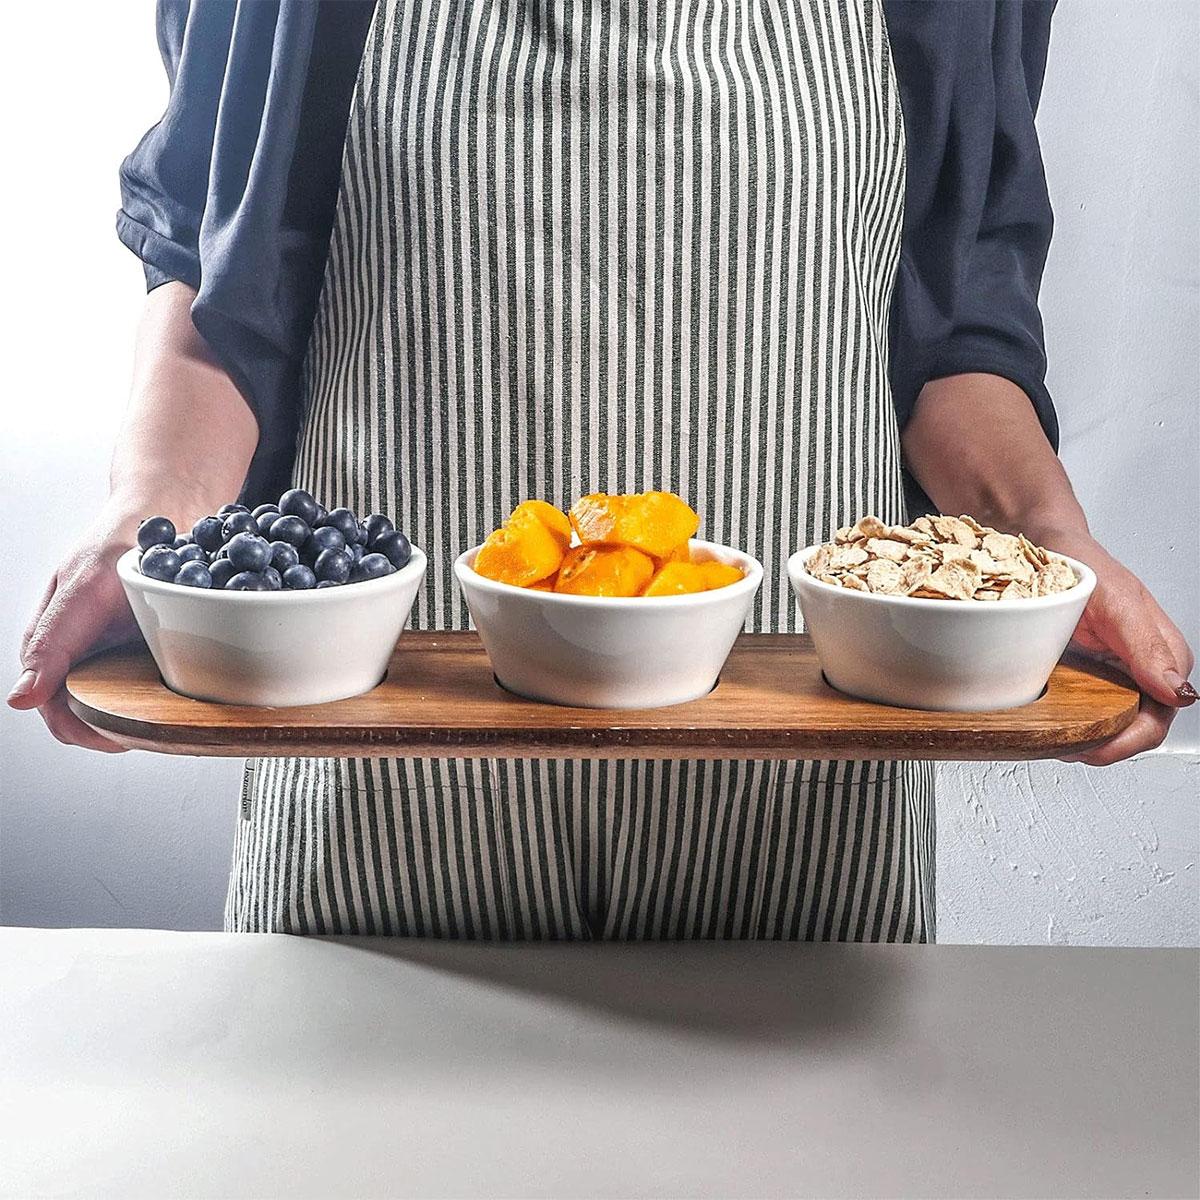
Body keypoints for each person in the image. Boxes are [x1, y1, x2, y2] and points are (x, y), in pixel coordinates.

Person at [9, 0, 1194, 939]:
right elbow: (219, 302)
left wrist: (1045, 538)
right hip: (382, 796)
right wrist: (149, 525)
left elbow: (954, 343)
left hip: (800, 816)